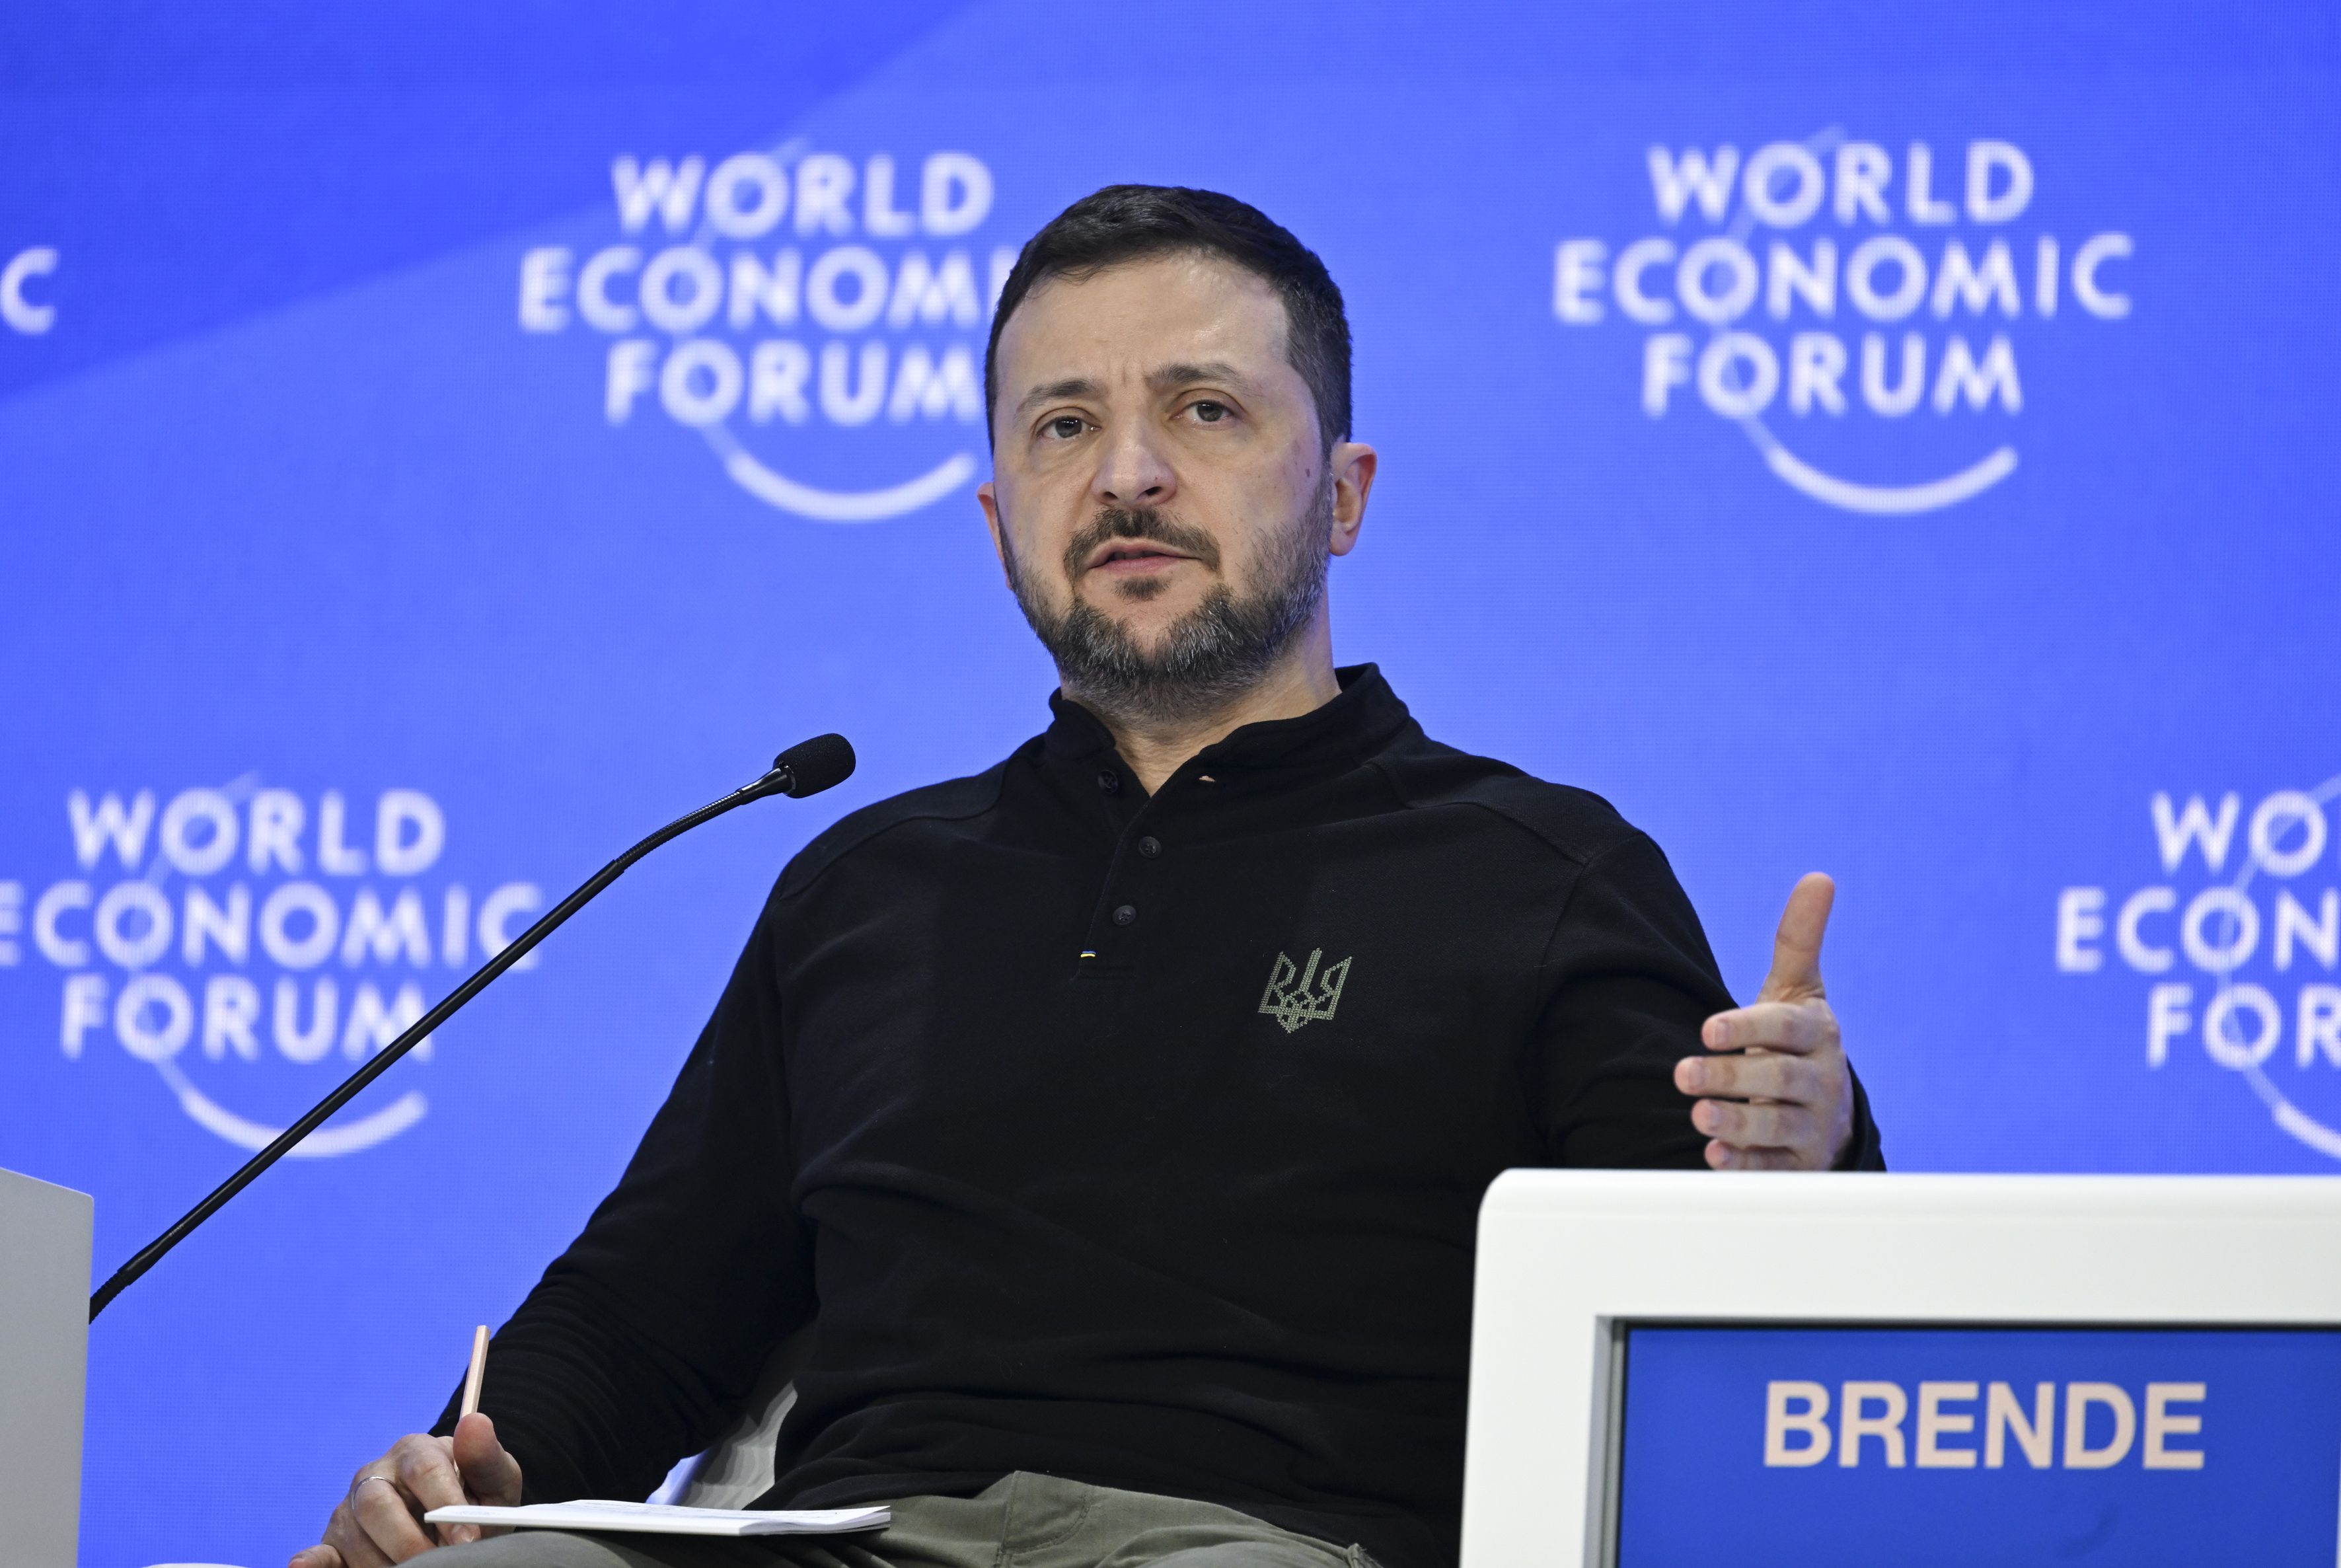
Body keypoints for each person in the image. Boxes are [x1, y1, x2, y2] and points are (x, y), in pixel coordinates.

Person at [293, 186, 1882, 1568]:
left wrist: (1805, 1161)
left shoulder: (1538, 872)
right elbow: (639, 1316)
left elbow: (1707, 1337)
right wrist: (470, 1468)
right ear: (1001, 518)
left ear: (1342, 494)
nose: (1126, 473)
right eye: (1062, 425)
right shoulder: (864, 886)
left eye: (1203, 410)